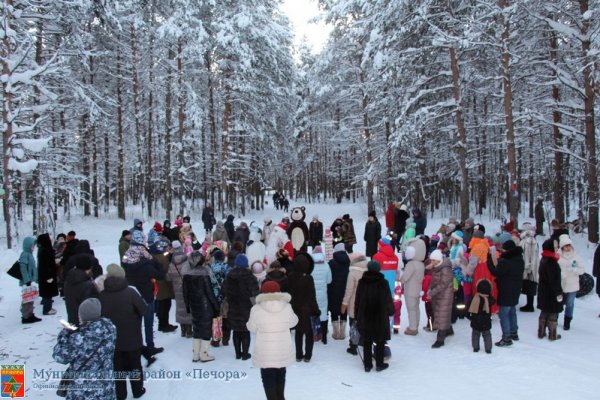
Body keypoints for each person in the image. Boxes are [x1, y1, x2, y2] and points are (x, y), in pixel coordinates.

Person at [99, 264, 148, 399]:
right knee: (135, 365)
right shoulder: (131, 292)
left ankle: (121, 394)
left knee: (118, 368)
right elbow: (144, 310)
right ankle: (138, 390)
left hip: (112, 340)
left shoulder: (102, 295)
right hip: (132, 337)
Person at [53, 298, 117, 400]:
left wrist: (64, 334)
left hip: (83, 392)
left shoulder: (79, 339)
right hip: (106, 387)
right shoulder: (110, 328)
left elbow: (59, 356)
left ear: (85, 316)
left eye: (80, 313)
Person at [247, 280, 298, 400]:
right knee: (281, 374)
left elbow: (251, 327)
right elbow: (294, 322)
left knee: (267, 377)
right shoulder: (287, 307)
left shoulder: (256, 309)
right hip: (282, 349)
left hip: (265, 352)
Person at [122, 230, 165, 363]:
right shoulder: (145, 263)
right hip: (146, 295)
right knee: (148, 322)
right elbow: (160, 273)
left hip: (131, 295)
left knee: (135, 323)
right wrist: (153, 260)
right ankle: (149, 346)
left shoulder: (126, 258)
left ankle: (137, 347)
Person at [354, 260, 394, 372]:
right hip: (380, 317)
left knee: (367, 341)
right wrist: (391, 311)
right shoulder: (383, 283)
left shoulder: (362, 282)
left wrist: (357, 315)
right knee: (380, 341)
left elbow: (357, 300)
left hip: (365, 316)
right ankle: (380, 364)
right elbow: (388, 300)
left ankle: (367, 365)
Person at [183, 251, 220, 362]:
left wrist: (187, 306)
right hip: (205, 306)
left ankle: (196, 355)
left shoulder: (186, 275)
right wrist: (216, 307)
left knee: (197, 329)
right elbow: (210, 293)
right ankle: (204, 354)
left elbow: (185, 293)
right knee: (206, 330)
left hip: (194, 305)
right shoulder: (204, 273)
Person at [487, 240, 524, 347]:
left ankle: (506, 337)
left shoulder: (505, 262)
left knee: (504, 314)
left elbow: (496, 272)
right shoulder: (519, 259)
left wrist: (490, 261)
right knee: (512, 310)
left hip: (505, 289)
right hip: (516, 289)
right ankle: (514, 332)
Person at [222, 254, 260, 360]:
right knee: (245, 330)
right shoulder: (250, 277)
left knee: (236, 330)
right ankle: (245, 354)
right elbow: (255, 294)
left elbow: (224, 290)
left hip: (233, 306)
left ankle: (238, 353)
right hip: (246, 308)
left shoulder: (229, 275)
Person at [287, 252, 320, 362]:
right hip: (307, 310)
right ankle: (308, 356)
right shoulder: (308, 278)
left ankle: (298, 355)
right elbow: (312, 296)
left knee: (298, 332)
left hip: (295, 309)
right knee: (309, 333)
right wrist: (316, 310)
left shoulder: (290, 276)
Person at [427, 250, 455, 348]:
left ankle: (440, 339)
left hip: (445, 295)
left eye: (433, 260)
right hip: (438, 294)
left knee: (442, 315)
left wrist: (432, 292)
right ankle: (449, 330)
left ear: (438, 260)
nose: (432, 262)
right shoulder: (437, 266)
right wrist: (430, 289)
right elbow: (434, 280)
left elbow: (443, 284)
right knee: (442, 314)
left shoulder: (445, 269)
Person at [341, 252, 368, 355]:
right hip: (366, 303)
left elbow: (349, 290)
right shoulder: (368, 269)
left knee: (353, 324)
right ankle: (362, 341)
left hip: (354, 303)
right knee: (364, 323)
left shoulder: (352, 273)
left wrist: (344, 303)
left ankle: (353, 346)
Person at [557, 234, 585, 330]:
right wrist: (560, 274)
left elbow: (582, 270)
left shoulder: (576, 257)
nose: (568, 247)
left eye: (569, 245)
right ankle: (554, 319)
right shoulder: (558, 256)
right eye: (566, 245)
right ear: (562, 246)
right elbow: (554, 268)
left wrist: (575, 270)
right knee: (558, 302)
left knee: (570, 303)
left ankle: (567, 321)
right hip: (561, 284)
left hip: (573, 285)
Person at [537, 239, 564, 340]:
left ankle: (541, 332)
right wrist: (558, 293)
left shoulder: (544, 258)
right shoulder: (552, 262)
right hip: (551, 292)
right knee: (553, 311)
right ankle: (553, 334)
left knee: (544, 310)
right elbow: (554, 280)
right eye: (555, 246)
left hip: (544, 290)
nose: (557, 248)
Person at [400, 238, 426, 335]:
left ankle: (412, 327)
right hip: (418, 290)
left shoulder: (411, 264)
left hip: (410, 290)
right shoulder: (421, 264)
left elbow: (405, 277)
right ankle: (416, 325)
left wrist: (400, 279)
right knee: (416, 307)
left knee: (411, 309)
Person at [168, 240, 193, 338]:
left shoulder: (171, 263)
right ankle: (189, 331)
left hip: (177, 288)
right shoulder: (187, 261)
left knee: (180, 308)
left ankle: (183, 330)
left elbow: (168, 277)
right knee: (188, 308)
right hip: (187, 287)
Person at [64, 258, 99, 326]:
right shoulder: (87, 285)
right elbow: (92, 305)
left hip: (72, 318)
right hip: (85, 322)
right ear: (89, 268)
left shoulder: (69, 281)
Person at [328, 243, 350, 340]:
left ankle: (336, 333)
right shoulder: (349, 261)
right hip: (346, 289)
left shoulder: (331, 263)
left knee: (334, 309)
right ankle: (342, 333)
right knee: (343, 308)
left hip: (334, 290)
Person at [310, 246, 332, 344]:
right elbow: (329, 280)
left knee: (312, 312)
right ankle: (324, 337)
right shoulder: (326, 265)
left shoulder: (310, 265)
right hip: (323, 293)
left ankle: (313, 334)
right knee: (323, 313)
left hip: (312, 294)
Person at [468, 279, 495, 353]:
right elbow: (493, 301)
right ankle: (488, 348)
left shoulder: (474, 298)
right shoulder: (489, 299)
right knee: (487, 334)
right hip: (486, 320)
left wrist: (470, 317)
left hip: (475, 320)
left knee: (475, 334)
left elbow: (468, 307)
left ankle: (475, 347)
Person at [19, 237, 41, 324]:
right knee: (27, 298)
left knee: (30, 298)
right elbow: (23, 268)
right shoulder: (25, 254)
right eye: (32, 245)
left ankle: (30, 314)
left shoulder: (29, 254)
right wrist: (27, 279)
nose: (33, 247)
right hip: (27, 281)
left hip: (30, 281)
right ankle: (26, 316)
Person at [37, 233, 58, 315]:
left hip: (45, 275)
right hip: (47, 275)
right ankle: (47, 309)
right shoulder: (45, 251)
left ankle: (48, 307)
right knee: (48, 292)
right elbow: (46, 265)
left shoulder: (43, 249)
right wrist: (49, 276)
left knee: (48, 293)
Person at [519, 226, 539, 312]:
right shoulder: (532, 241)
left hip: (529, 267)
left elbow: (529, 255)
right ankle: (529, 304)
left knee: (529, 284)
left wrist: (528, 266)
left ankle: (530, 305)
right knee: (529, 284)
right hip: (532, 266)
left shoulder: (528, 241)